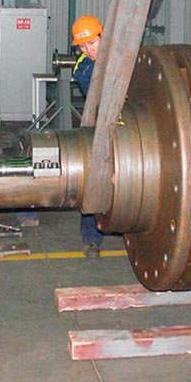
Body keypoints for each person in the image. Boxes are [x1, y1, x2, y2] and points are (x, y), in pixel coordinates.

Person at [71, 15, 104, 258]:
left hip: (136, 120)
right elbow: (100, 101)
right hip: (100, 121)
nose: (88, 50)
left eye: (92, 43)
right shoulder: (82, 68)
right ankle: (91, 238)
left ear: (103, 37)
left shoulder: (125, 55)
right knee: (93, 178)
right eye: (83, 46)